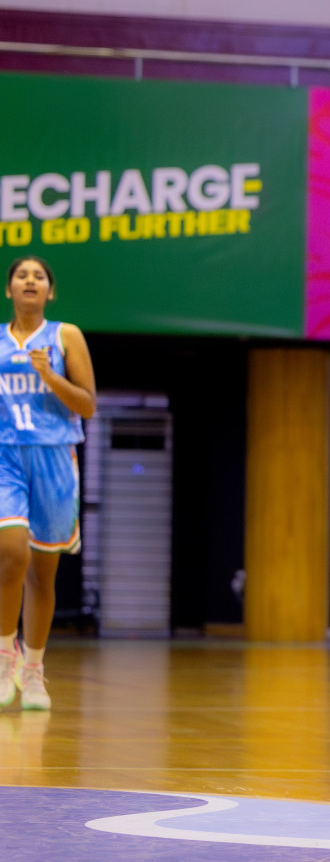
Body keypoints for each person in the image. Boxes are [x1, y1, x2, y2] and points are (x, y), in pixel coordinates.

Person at [0, 256, 95, 712]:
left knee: (42, 572)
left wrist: (50, 375)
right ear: (9, 290)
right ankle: (4, 659)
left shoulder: (65, 336)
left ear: (49, 292)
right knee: (10, 552)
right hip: (5, 456)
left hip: (55, 456)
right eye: (22, 275)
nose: (30, 281)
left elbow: (88, 405)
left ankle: (33, 671)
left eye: (39, 276)